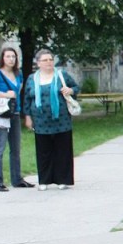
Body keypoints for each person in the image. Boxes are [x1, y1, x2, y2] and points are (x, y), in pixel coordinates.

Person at [22, 50, 80, 189]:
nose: (49, 62)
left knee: (63, 150)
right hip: (41, 121)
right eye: (45, 60)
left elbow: (76, 87)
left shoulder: (61, 75)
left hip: (62, 120)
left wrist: (70, 91)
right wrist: (27, 117)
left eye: (51, 59)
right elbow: (27, 99)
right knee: (43, 152)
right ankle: (44, 181)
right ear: (38, 63)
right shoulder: (32, 79)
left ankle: (63, 180)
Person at [0, 47, 32, 192]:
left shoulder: (18, 74)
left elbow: (18, 91)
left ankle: (17, 179)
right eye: (8, 56)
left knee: (16, 148)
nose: (11, 59)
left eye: (13, 57)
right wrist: (4, 95)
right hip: (0, 114)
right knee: (0, 147)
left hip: (14, 113)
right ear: (2, 58)